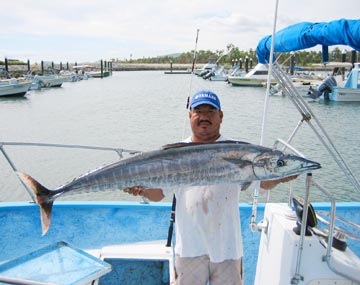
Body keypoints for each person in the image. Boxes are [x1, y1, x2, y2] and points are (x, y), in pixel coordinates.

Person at [124, 90, 296, 285]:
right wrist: (142, 190)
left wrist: (281, 176)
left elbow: (262, 182)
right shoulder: (175, 153)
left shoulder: (238, 151)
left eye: (210, 111)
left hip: (227, 248)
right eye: (198, 111)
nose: (204, 117)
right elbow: (158, 194)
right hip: (189, 247)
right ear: (190, 115)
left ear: (220, 116)